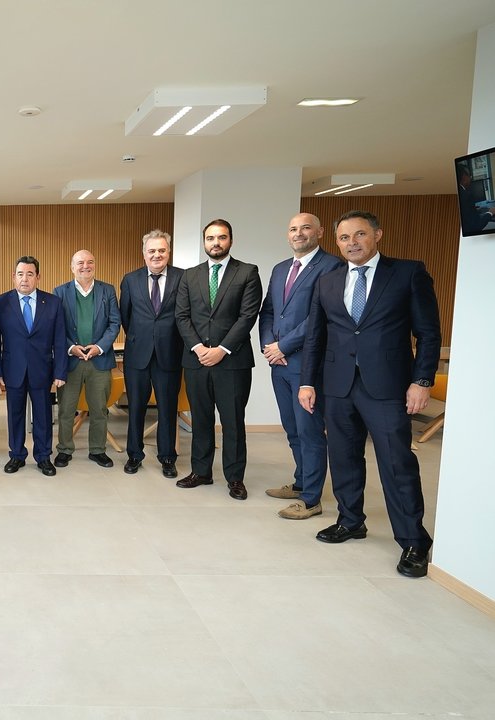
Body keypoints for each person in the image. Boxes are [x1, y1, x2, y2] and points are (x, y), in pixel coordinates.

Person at [299, 210, 440, 578]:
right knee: (343, 457)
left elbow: (428, 332)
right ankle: (351, 521)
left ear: (377, 234)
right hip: (338, 385)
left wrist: (422, 381)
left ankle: (413, 541)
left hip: (389, 387)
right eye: (345, 238)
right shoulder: (327, 281)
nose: (352, 243)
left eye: (360, 235)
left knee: (397, 463)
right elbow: (317, 336)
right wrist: (308, 382)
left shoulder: (408, 273)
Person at [258, 213, 343, 520]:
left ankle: (311, 499)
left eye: (306, 228)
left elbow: (320, 317)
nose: (299, 233)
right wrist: (269, 346)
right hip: (278, 363)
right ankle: (301, 482)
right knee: (292, 427)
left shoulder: (332, 266)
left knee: (309, 431)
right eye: (293, 228)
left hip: (307, 363)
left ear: (319, 232)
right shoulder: (281, 269)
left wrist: (285, 345)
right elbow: (268, 311)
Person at [174, 219, 262, 500]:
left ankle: (235, 478)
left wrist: (221, 349)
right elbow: (182, 316)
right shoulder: (189, 276)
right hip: (197, 360)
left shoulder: (247, 272)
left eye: (221, 237)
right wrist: (199, 348)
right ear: (204, 242)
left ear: (231, 241)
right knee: (200, 419)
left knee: (233, 421)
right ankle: (201, 471)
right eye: (210, 238)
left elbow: (247, 316)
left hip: (232, 362)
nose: (216, 243)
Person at [0, 256, 68, 476]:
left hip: (42, 370)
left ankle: (43, 456)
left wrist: (60, 371)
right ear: (13, 277)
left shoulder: (52, 303)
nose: (25, 279)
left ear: (38, 277)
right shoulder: (1, 302)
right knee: (14, 415)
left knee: (43, 415)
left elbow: (60, 340)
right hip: (12, 370)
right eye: (20, 274)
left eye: (30, 274)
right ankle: (16, 455)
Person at [118, 229, 183, 477]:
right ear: (144, 253)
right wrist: (140, 337)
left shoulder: (182, 278)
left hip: (170, 354)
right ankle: (134, 455)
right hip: (138, 354)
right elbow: (127, 316)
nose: (157, 255)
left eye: (161, 250)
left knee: (167, 407)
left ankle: (168, 457)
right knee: (136, 407)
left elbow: (184, 315)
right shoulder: (130, 279)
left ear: (169, 252)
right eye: (152, 251)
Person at [53, 250, 120, 469]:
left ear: (95, 265)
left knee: (99, 409)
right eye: (80, 263)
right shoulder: (60, 292)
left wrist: (99, 347)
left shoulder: (107, 290)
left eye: (90, 262)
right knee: (65, 408)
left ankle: (98, 450)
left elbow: (114, 323)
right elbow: (56, 327)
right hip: (71, 361)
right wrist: (71, 347)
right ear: (72, 267)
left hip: (98, 361)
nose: (85, 266)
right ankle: (64, 449)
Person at [457, 163, 494, 235]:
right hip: (472, 230)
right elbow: (476, 225)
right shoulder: (466, 195)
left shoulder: (460, 192)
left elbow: (466, 213)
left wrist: (473, 210)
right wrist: (490, 213)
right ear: (464, 176)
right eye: (469, 175)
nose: (470, 178)